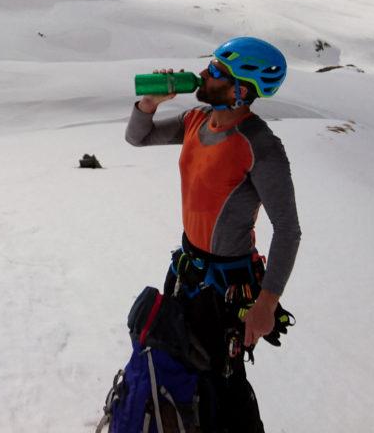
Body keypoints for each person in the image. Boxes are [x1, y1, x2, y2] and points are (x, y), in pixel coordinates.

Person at [124, 36, 301, 433]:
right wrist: (149, 105)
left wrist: (267, 303)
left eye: (218, 72)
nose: (205, 74)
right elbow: (139, 136)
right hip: (186, 269)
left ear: (241, 91)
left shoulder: (261, 146)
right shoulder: (196, 119)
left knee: (222, 379)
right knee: (177, 362)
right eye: (211, 65)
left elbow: (288, 230)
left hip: (227, 286)